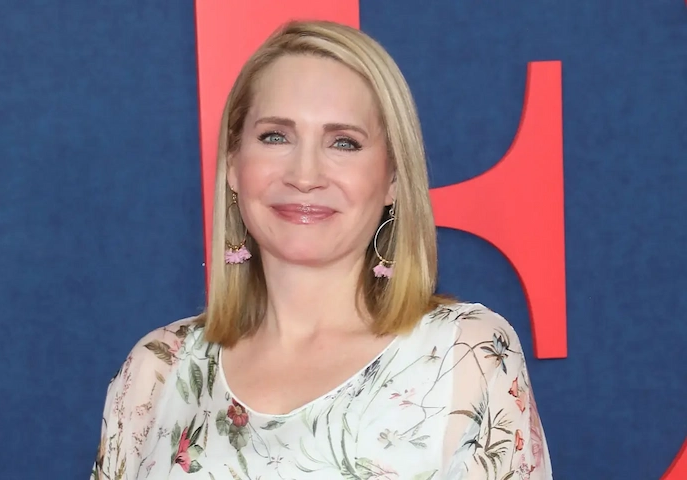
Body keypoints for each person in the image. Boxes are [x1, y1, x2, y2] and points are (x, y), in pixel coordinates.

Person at [91, 20, 552, 480]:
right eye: (276, 137)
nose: (305, 175)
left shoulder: (465, 355)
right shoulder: (158, 369)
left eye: (343, 143)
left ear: (393, 179)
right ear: (233, 164)